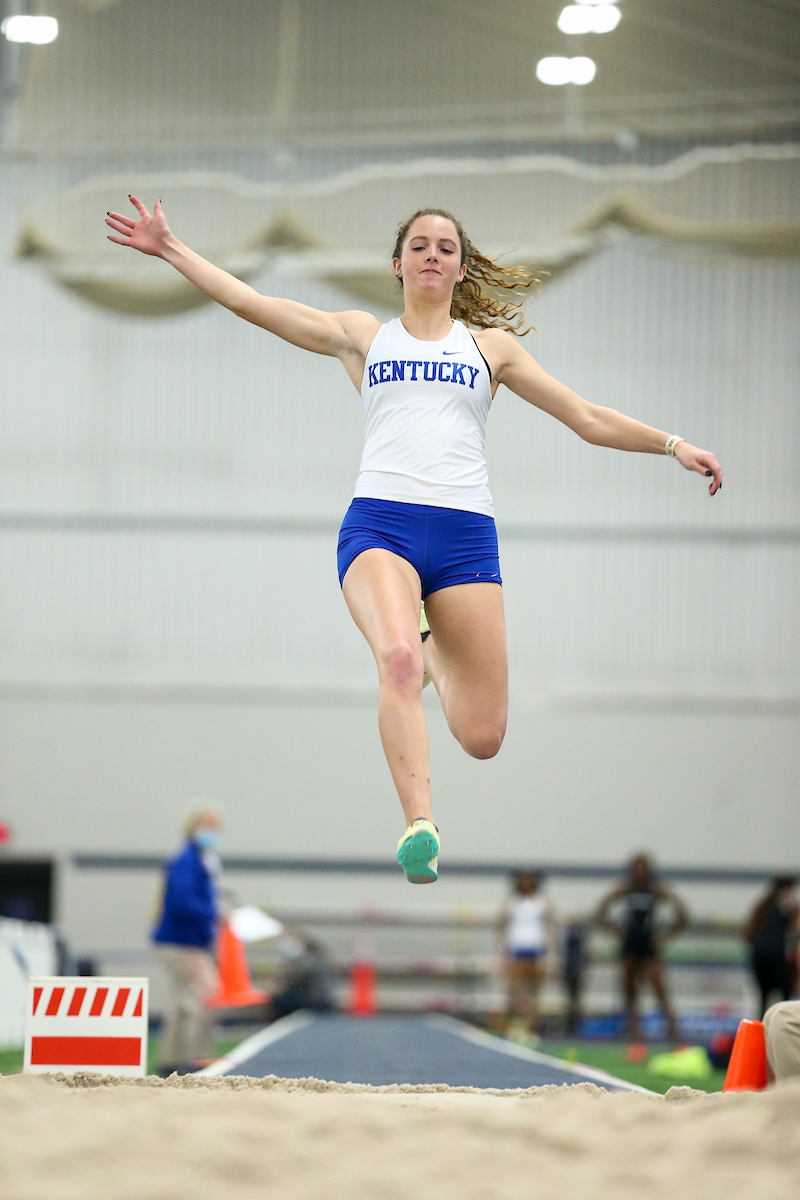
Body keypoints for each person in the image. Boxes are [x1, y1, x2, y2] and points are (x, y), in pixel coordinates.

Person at [106, 199, 723, 884]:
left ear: (461, 270)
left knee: (482, 737)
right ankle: (420, 824)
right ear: (398, 264)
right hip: (381, 526)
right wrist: (172, 250)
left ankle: (430, 645)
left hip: (464, 537)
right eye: (420, 245)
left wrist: (672, 445)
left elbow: (585, 417)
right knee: (396, 660)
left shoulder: (490, 349)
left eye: (447, 247)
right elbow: (252, 303)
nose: (433, 254)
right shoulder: (362, 336)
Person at [151, 802, 223, 1075]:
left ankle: (170, 1063)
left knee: (181, 1005)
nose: (212, 831)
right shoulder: (187, 860)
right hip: (182, 941)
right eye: (207, 825)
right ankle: (196, 1061)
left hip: (183, 941)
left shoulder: (199, 860)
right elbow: (181, 902)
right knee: (206, 996)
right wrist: (213, 912)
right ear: (193, 827)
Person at [594, 853, 689, 1042]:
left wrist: (665, 936)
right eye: (637, 869)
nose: (640, 873)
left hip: (649, 946)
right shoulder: (625, 889)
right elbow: (600, 913)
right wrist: (615, 932)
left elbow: (682, 915)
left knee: (660, 991)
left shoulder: (655, 890)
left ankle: (675, 1036)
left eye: (644, 868)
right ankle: (635, 1038)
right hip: (630, 945)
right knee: (630, 994)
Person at [499, 870, 555, 1042]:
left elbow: (549, 926)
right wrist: (500, 954)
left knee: (534, 994)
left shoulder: (542, 901)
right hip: (516, 950)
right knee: (513, 991)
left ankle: (532, 1029)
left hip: (536, 951)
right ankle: (511, 1027)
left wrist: (550, 955)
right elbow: (502, 926)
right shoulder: (512, 902)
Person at [742, 876, 798, 1017]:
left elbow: (748, 933)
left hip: (758, 956)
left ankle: (762, 1027)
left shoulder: (763, 905)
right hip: (774, 956)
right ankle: (783, 1024)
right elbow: (793, 932)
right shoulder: (785, 906)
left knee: (763, 996)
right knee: (785, 994)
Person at [562, 916, 587, 1035]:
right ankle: (569, 1025)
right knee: (569, 999)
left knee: (575, 999)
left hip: (576, 970)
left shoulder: (580, 938)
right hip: (569, 969)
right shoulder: (569, 938)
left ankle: (575, 1025)